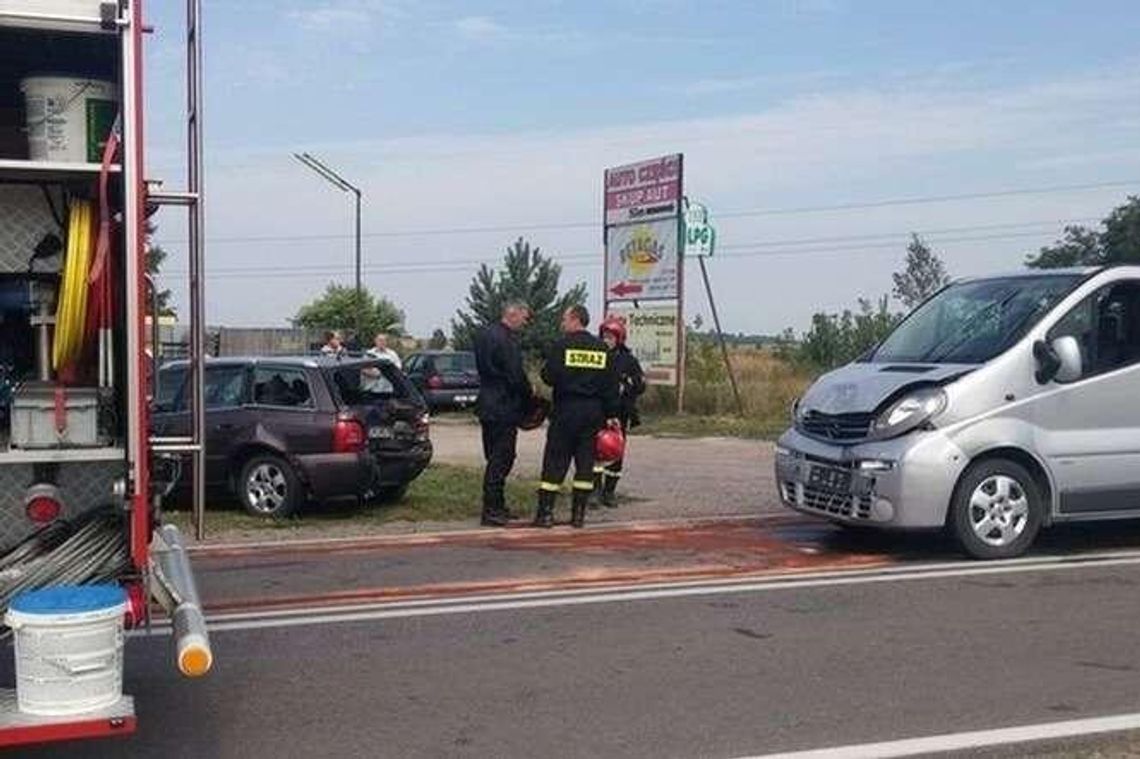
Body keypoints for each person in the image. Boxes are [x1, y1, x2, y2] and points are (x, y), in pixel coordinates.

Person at [534, 305, 619, 529]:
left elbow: (549, 377)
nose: (562, 323)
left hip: (566, 409)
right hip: (593, 413)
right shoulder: (602, 349)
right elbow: (610, 387)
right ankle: (578, 515)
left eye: (564, 319)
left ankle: (545, 514)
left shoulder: (562, 346)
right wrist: (611, 414)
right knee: (585, 464)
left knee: (555, 461)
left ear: (575, 319)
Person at [473, 302, 532, 526]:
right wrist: (529, 396)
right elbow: (515, 374)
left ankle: (497, 505)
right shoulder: (507, 340)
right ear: (513, 313)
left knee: (493, 456)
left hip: (487, 403)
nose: (525, 323)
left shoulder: (484, 335)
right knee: (502, 458)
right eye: (524, 318)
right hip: (504, 405)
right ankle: (491, 509)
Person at [592, 317, 645, 509]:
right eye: (604, 336)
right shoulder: (595, 355)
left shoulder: (628, 360)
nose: (606, 340)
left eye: (611, 337)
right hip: (598, 412)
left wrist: (628, 384)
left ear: (619, 338)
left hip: (621, 412)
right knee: (596, 450)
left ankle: (609, 492)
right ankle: (594, 491)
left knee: (615, 451)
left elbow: (641, 385)